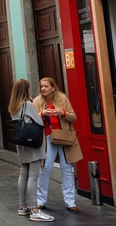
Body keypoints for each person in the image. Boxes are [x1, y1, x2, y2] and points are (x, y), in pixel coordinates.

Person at [33, 77, 81, 214]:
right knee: (45, 168)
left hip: (64, 137)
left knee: (67, 169)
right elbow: (32, 120)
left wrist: (62, 113)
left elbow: (74, 117)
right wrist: (42, 114)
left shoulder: (62, 98)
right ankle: (40, 201)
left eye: (46, 86)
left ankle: (70, 202)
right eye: (41, 86)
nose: (43, 89)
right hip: (48, 138)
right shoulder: (37, 101)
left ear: (53, 88)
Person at [9, 79, 53, 222]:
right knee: (33, 175)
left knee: (23, 173)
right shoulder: (27, 104)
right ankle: (34, 210)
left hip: (21, 143)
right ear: (26, 90)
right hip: (32, 142)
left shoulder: (13, 105)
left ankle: (22, 206)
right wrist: (41, 113)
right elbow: (39, 122)